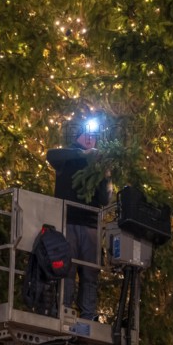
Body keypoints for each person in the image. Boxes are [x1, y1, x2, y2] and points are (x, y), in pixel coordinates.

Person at [46, 118, 112, 320]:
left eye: (94, 136)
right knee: (67, 269)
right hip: (68, 221)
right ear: (78, 137)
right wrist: (82, 154)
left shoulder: (98, 165)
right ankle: (63, 310)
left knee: (90, 273)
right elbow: (51, 155)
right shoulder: (66, 158)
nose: (91, 139)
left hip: (91, 225)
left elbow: (104, 198)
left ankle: (88, 315)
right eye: (87, 135)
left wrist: (106, 176)